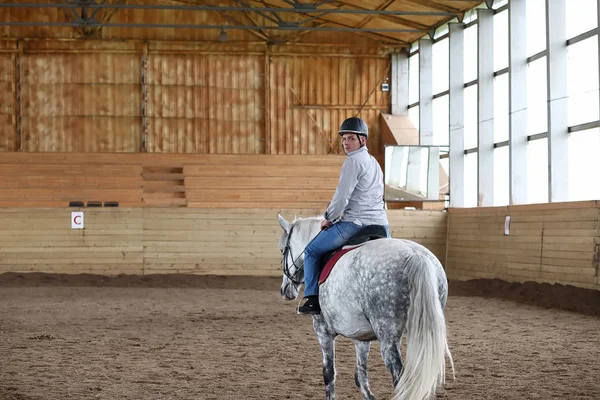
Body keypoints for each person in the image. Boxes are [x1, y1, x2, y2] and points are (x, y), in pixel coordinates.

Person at [298, 116, 390, 315]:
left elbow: (342, 197)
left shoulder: (353, 162)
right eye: (344, 139)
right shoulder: (374, 162)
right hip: (381, 225)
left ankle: (312, 298)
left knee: (312, 251)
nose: (345, 143)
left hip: (354, 224)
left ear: (362, 140)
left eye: (350, 139)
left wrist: (329, 217)